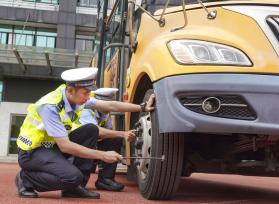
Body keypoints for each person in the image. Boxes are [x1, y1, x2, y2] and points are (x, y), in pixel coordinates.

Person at [15, 67, 155, 199]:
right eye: (86, 93)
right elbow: (66, 146)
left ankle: (75, 188)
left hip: (51, 147)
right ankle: (26, 179)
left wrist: (142, 107)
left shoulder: (74, 97)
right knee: (72, 177)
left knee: (90, 129)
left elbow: (109, 105)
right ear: (70, 90)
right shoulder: (49, 107)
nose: (88, 97)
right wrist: (103, 155)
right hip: (32, 152)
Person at [79, 88, 134, 191]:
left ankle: (105, 179)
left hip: (91, 144)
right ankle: (79, 183)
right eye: (106, 104)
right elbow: (97, 131)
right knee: (95, 136)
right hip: (76, 146)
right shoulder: (86, 110)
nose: (109, 108)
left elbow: (108, 133)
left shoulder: (105, 113)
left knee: (114, 138)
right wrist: (123, 134)